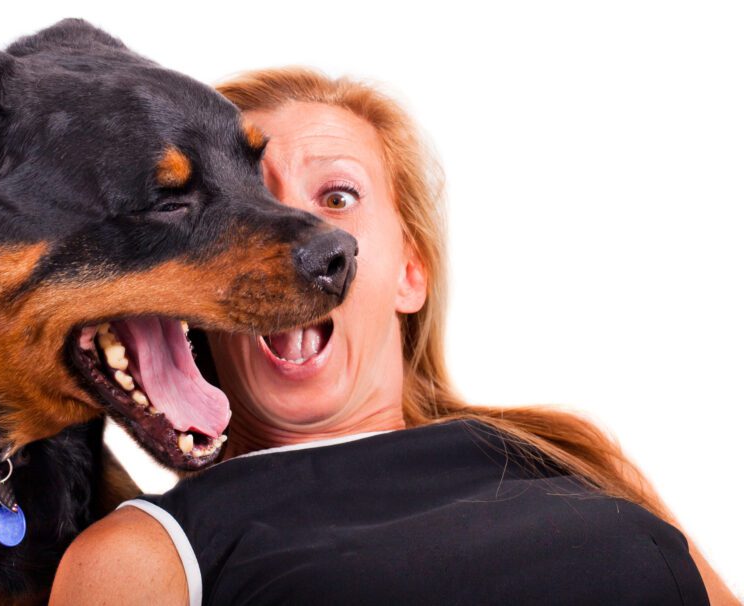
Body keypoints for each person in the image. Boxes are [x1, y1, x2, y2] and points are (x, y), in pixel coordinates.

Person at [49, 67, 739, 605]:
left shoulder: (563, 453)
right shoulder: (149, 554)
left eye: (338, 197)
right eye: (250, 201)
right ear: (197, 298)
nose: (295, 232)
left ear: (411, 272)